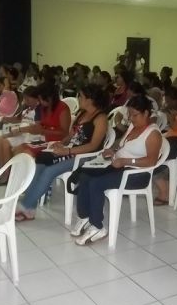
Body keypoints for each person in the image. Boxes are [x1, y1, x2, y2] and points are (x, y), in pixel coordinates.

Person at [70, 95, 163, 245]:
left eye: (135, 115)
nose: (131, 118)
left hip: (137, 174)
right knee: (85, 175)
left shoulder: (153, 134)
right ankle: (84, 216)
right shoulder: (133, 127)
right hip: (118, 166)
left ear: (146, 113)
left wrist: (126, 161)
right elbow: (123, 145)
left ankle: (97, 226)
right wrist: (113, 150)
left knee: (96, 183)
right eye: (130, 114)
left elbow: (151, 161)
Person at [15, 84, 109, 221]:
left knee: (49, 171)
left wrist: (68, 151)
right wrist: (62, 143)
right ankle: (29, 207)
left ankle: (25, 206)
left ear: (90, 100)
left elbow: (93, 146)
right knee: (38, 165)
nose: (79, 99)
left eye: (81, 96)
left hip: (86, 156)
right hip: (72, 151)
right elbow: (71, 135)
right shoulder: (82, 114)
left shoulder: (100, 119)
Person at [0, 86, 42, 185]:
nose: (26, 101)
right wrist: (6, 119)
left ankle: (7, 175)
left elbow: (38, 128)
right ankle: (1, 171)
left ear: (36, 99)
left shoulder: (39, 111)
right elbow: (19, 120)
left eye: (28, 99)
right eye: (25, 98)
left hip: (29, 136)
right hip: (20, 133)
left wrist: (20, 129)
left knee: (5, 143)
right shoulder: (27, 109)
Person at [14, 83, 71, 157]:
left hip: (58, 143)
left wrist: (43, 131)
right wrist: (31, 129)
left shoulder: (62, 109)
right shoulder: (43, 108)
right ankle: (8, 168)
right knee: (17, 149)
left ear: (50, 98)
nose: (40, 101)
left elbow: (64, 133)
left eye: (41, 99)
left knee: (25, 153)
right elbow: (42, 125)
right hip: (45, 140)